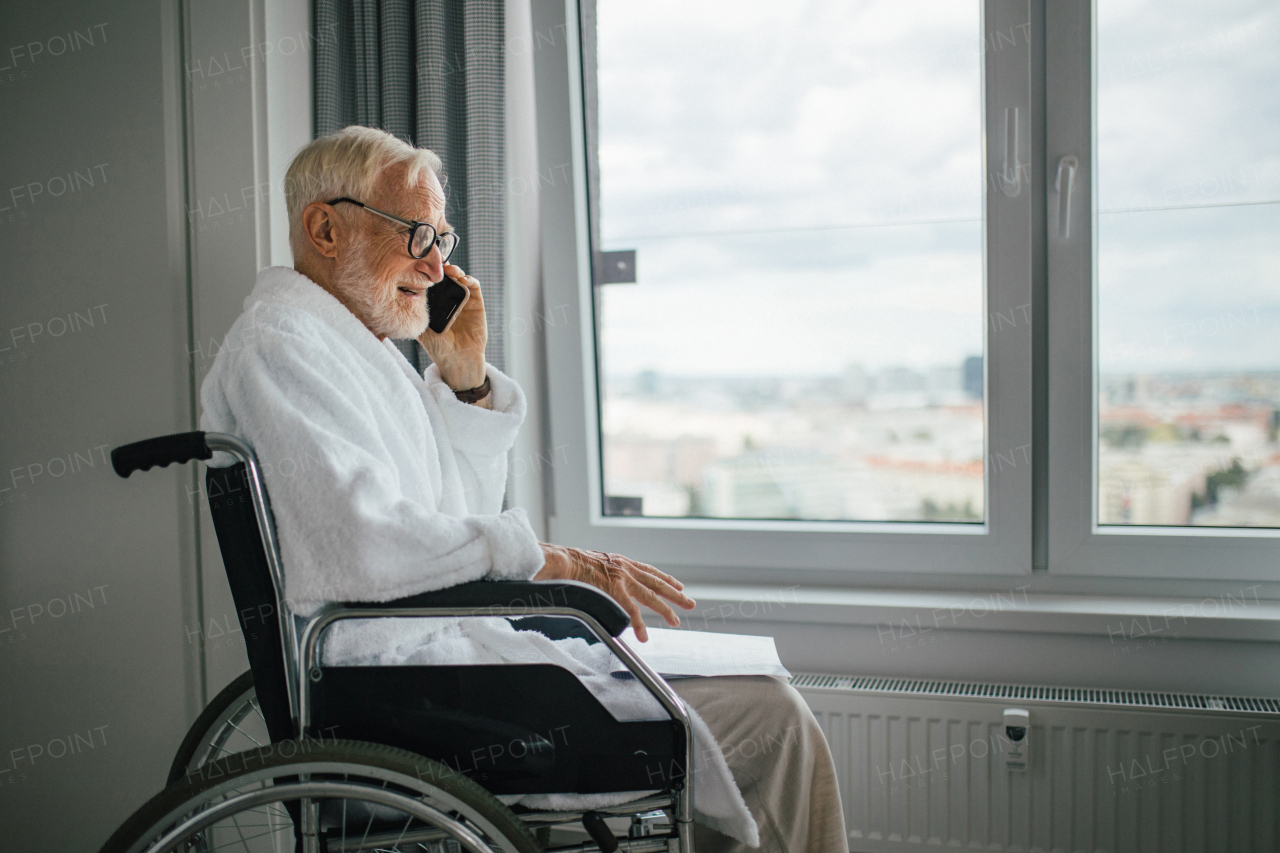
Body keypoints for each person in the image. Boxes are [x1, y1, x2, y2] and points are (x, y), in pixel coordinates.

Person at [200, 125, 847, 853]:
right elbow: (362, 545)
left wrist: (466, 375)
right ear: (325, 227)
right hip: (404, 696)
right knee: (774, 720)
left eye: (442, 241)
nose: (436, 264)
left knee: (763, 704)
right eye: (417, 234)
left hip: (437, 666)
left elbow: (451, 525)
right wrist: (554, 560)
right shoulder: (280, 347)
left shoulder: (357, 354)